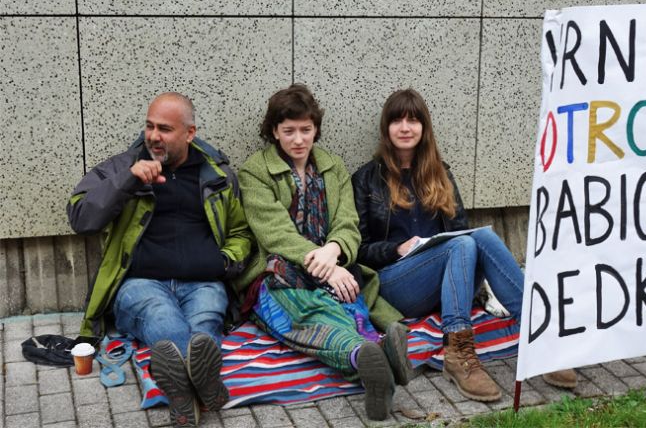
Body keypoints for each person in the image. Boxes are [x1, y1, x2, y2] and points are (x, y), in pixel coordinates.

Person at [351, 89, 578, 402]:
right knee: (461, 245)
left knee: (479, 238)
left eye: (413, 120)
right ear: (386, 128)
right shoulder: (365, 179)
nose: (405, 128)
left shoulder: (440, 173)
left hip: (447, 283)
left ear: (424, 127)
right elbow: (359, 249)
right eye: (397, 121)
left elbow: (461, 233)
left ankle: (537, 335)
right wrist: (395, 249)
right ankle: (457, 353)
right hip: (395, 284)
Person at [67, 92, 253, 427]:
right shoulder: (123, 166)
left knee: (205, 324)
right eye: (150, 126)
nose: (153, 136)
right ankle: (204, 386)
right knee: (160, 316)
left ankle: (180, 391)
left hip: (203, 282)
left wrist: (226, 262)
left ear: (190, 133)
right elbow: (81, 217)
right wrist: (128, 180)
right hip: (141, 282)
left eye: (165, 129)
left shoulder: (218, 175)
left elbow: (240, 232)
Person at [233, 84, 410, 421]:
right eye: (289, 131)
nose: (299, 139)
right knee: (310, 311)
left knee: (347, 298)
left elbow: (347, 221)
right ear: (274, 131)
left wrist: (334, 249)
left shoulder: (333, 166)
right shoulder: (255, 171)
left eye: (306, 129)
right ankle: (367, 354)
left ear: (316, 128)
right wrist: (326, 264)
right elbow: (275, 233)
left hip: (334, 263)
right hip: (282, 269)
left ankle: (372, 354)